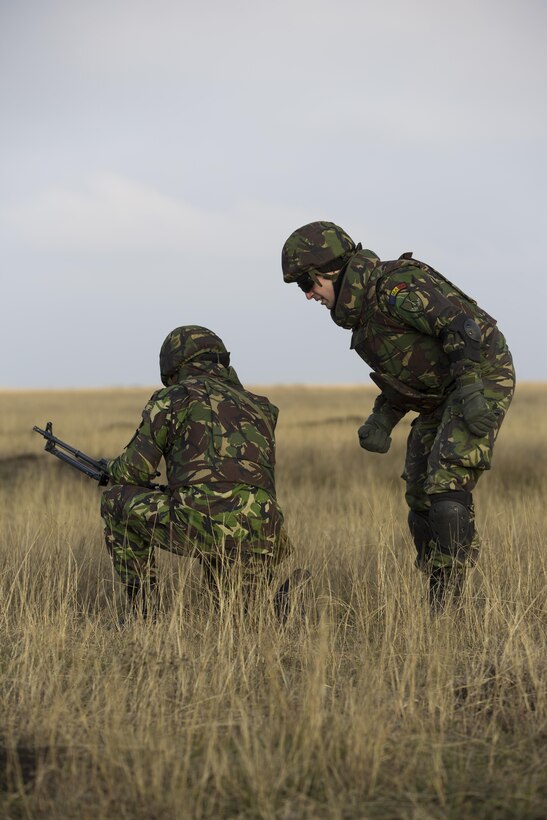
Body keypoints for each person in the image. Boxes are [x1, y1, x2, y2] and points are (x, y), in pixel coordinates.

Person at [281, 221, 515, 607]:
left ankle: (451, 606)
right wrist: (383, 418)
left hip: (481, 373)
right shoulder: (365, 320)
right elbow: (409, 373)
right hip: (440, 394)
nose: (308, 296)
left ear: (333, 270)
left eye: (308, 284)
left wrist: (473, 387)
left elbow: (463, 327)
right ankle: (439, 591)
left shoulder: (394, 287)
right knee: (419, 493)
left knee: (446, 483)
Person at [101, 325, 291, 618]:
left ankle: (144, 615)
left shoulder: (173, 398)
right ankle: (275, 610)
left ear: (173, 366)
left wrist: (110, 469)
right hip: (263, 530)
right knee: (240, 617)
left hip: (203, 520)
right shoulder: (261, 407)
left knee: (115, 501)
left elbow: (132, 472)